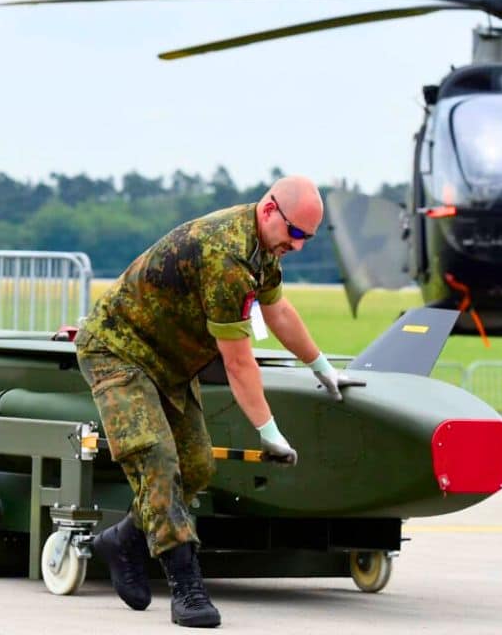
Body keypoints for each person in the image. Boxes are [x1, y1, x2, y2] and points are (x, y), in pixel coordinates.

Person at [76, 175, 362, 628]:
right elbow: (239, 363)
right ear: (270, 209)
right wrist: (269, 431)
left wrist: (321, 365)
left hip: (169, 362)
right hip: (118, 351)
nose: (298, 245)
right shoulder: (226, 256)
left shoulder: (262, 247)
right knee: (156, 458)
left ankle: (125, 539)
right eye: (295, 232)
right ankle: (186, 586)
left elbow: (277, 309)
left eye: (307, 237)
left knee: (196, 467)